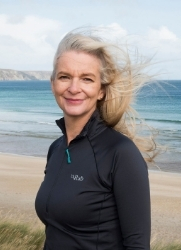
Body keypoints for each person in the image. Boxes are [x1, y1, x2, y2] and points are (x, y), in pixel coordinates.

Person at [35, 28, 158, 250]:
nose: (74, 88)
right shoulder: (57, 149)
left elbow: (138, 245)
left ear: (101, 90)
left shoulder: (121, 153)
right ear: (53, 83)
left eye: (87, 79)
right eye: (64, 77)